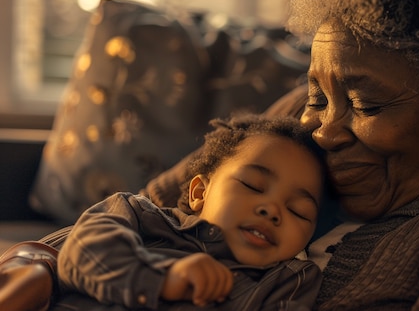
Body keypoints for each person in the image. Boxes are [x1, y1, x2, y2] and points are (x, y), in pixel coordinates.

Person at [0, 0, 419, 310]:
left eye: (367, 104)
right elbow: (136, 214)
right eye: (321, 95)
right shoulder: (297, 127)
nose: (324, 130)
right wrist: (32, 262)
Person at [52, 113, 327, 310]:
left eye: (298, 211)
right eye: (252, 186)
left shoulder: (291, 280)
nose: (272, 210)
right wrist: (161, 279)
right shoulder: (140, 215)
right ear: (200, 192)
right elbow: (80, 251)